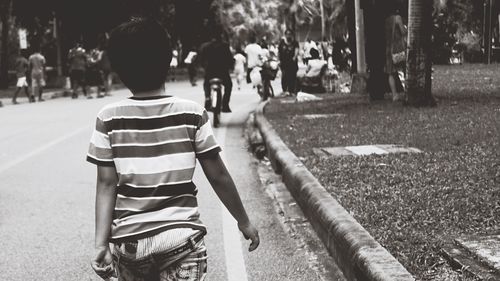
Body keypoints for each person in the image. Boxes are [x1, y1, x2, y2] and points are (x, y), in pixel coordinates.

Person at [87, 18, 259, 281]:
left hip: (131, 243)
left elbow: (106, 184)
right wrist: (243, 221)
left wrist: (101, 244)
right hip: (181, 240)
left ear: (119, 70)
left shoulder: (108, 117)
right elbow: (218, 175)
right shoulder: (191, 113)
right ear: (168, 62)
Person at [199, 27, 235, 112]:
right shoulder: (225, 46)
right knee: (228, 85)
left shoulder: (206, 46)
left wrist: (203, 67)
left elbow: (201, 60)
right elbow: (230, 59)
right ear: (221, 35)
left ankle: (207, 98)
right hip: (222, 72)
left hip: (210, 71)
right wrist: (230, 66)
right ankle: (225, 105)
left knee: (206, 84)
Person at [385, 8, 407, 102]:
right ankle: (408, 92)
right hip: (398, 48)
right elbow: (403, 32)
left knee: (391, 72)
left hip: (388, 48)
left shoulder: (385, 20)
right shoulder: (397, 18)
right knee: (405, 69)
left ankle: (394, 95)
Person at [278, 29, 299, 96]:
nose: (288, 35)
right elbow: (279, 52)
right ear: (285, 35)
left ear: (292, 35)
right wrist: (278, 60)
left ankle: (291, 91)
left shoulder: (295, 43)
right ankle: (285, 90)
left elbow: (296, 50)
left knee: (292, 77)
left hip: (292, 63)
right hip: (284, 63)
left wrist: (294, 57)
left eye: (290, 34)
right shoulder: (282, 43)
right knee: (284, 76)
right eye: (287, 34)